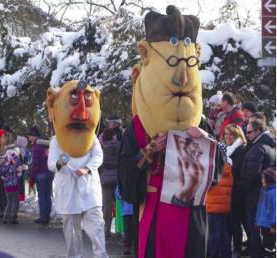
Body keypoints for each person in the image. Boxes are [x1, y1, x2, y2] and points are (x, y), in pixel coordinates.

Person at [118, 6, 225, 258]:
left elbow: (217, 171)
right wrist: (148, 152)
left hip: (192, 217)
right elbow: (127, 182)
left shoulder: (200, 123)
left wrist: (207, 145)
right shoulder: (137, 128)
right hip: (153, 213)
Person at [46, 80, 108, 258]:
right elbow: (51, 164)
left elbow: (98, 157)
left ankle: (101, 255)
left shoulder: (92, 139)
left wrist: (87, 169)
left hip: (89, 192)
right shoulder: (56, 142)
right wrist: (60, 163)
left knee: (97, 227)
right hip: (69, 193)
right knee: (72, 235)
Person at [239, 119, 276, 258]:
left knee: (255, 227)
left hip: (254, 194)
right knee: (263, 228)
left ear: (258, 131)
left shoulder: (258, 148)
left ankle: (256, 253)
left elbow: (252, 174)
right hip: (264, 192)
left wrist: (242, 189)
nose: (246, 135)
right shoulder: (271, 145)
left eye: (249, 132)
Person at [223, 124, 248, 258]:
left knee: (235, 222)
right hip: (228, 191)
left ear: (237, 135)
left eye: (230, 134)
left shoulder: (240, 150)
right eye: (226, 134)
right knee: (229, 222)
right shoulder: (228, 149)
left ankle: (237, 249)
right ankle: (231, 248)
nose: (227, 136)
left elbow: (236, 171)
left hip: (236, 192)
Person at [206, 147, 233, 258]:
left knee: (214, 234)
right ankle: (226, 254)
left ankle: (213, 255)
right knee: (222, 232)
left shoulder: (216, 167)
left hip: (213, 204)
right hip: (223, 205)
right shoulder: (228, 168)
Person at [28, 126, 53, 225]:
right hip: (50, 172)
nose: (29, 138)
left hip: (41, 174)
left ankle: (43, 217)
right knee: (47, 196)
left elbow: (35, 163)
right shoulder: (47, 145)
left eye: (30, 136)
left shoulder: (36, 146)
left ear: (34, 136)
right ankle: (47, 216)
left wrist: (32, 176)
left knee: (42, 196)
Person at [99, 128, 120, 237]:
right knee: (119, 204)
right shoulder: (119, 146)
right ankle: (119, 229)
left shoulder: (101, 148)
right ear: (113, 136)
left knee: (106, 206)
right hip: (118, 180)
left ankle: (106, 230)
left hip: (105, 180)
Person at [0, 132, 21, 224]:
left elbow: (1, 169)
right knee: (15, 201)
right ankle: (12, 217)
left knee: (9, 201)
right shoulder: (13, 152)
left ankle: (5, 218)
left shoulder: (3, 153)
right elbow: (17, 164)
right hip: (14, 181)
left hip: (6, 182)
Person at [255, 167, 276, 258]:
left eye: (263, 178)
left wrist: (274, 225)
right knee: (265, 245)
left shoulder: (274, 192)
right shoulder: (263, 190)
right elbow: (260, 207)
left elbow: (275, 210)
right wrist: (257, 221)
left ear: (269, 179)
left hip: (270, 226)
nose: (261, 180)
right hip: (263, 224)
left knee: (270, 247)